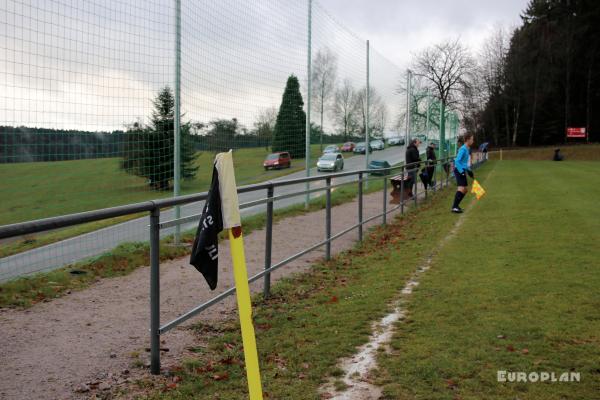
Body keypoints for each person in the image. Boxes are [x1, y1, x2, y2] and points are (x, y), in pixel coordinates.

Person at [451, 133, 475, 213]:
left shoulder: (467, 149)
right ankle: (454, 207)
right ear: (467, 140)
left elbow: (464, 162)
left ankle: (456, 206)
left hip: (462, 170)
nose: (473, 141)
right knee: (461, 188)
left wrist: (469, 171)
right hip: (458, 170)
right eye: (472, 139)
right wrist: (461, 172)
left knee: (465, 190)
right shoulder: (463, 149)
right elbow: (457, 161)